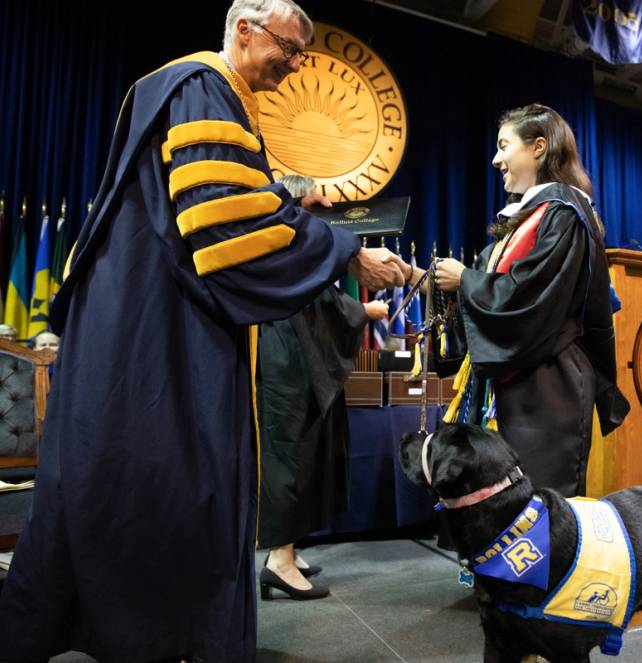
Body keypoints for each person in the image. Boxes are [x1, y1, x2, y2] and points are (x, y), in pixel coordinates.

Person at [0, 1, 405, 661]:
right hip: (158, 336)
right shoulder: (203, 86)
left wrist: (293, 211)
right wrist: (349, 253)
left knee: (123, 482)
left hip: (143, 321)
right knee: (164, 485)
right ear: (244, 27)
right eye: (291, 47)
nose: (298, 64)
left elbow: (230, 203)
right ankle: (161, 638)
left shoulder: (203, 96)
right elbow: (228, 232)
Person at [413, 103, 628, 497]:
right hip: (517, 383)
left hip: (549, 383)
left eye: (503, 145)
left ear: (539, 148)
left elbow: (529, 295)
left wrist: (465, 279)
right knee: (501, 505)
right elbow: (487, 283)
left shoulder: (564, 212)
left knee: (538, 505)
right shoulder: (525, 219)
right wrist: (420, 278)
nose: (495, 159)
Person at [257, 174, 389, 601]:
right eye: (315, 199)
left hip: (300, 359)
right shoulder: (279, 239)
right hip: (285, 360)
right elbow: (312, 299)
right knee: (289, 454)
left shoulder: (299, 240)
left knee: (306, 452)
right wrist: (364, 310)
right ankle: (278, 558)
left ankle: (289, 550)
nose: (325, 205)